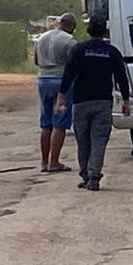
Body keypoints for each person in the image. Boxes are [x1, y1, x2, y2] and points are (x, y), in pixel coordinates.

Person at [55, 17, 132, 192]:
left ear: (89, 30)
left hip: (81, 102)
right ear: (105, 31)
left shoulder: (78, 50)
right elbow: (121, 78)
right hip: (103, 102)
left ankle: (85, 175)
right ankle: (94, 175)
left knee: (83, 141)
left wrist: (61, 98)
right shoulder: (111, 51)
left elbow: (68, 75)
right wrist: (126, 101)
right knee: (98, 140)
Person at [33, 13, 77, 173]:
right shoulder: (69, 41)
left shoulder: (42, 38)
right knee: (60, 121)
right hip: (61, 82)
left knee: (46, 123)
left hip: (43, 79)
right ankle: (54, 162)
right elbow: (73, 64)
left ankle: (44, 162)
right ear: (72, 26)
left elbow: (36, 61)